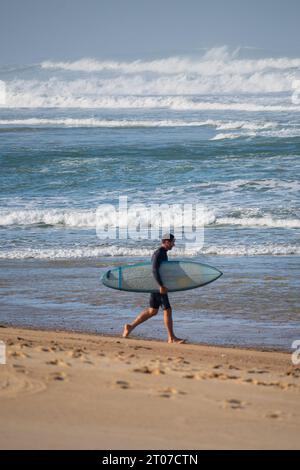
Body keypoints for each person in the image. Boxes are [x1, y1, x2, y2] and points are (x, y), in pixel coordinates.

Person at [122, 233, 185, 344]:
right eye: (172, 242)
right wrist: (161, 285)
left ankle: (130, 327)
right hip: (158, 286)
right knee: (167, 310)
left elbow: (161, 270)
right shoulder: (158, 253)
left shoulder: (163, 253)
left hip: (156, 285)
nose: (173, 245)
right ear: (166, 242)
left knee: (153, 311)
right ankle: (171, 338)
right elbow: (154, 270)